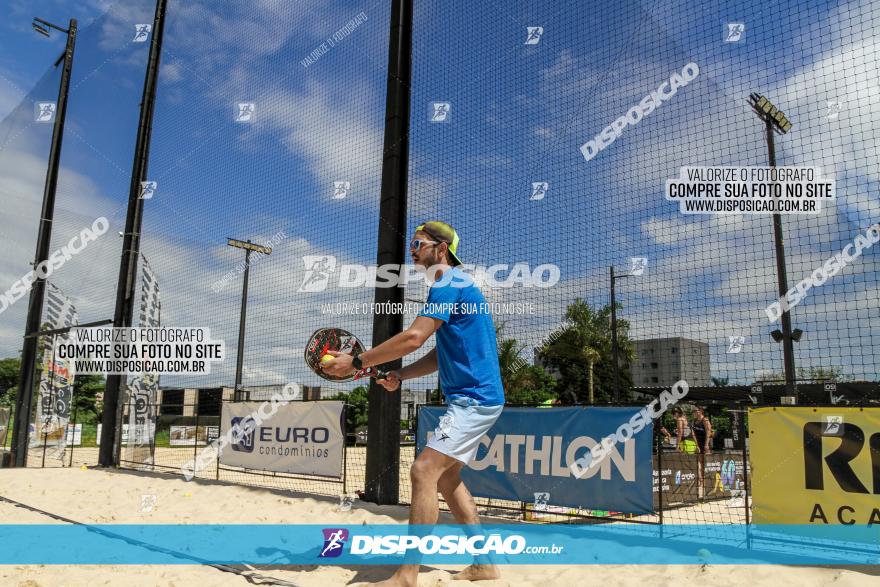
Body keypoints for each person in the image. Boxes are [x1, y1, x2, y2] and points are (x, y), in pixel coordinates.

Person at [321, 220, 504, 586]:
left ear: (440, 248)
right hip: (473, 399)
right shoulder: (455, 287)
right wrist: (400, 375)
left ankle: (407, 576)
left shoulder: (449, 283)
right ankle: (484, 564)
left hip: (474, 399)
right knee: (447, 477)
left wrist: (356, 362)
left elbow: (413, 337)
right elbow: (440, 354)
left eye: (418, 242)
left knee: (422, 471)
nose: (411, 249)